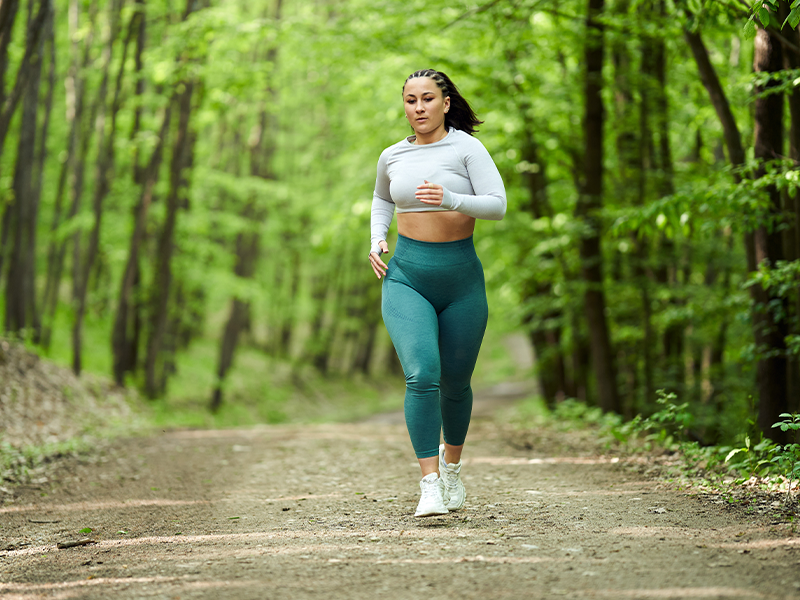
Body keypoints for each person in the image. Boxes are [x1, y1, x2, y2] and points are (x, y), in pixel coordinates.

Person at [368, 69, 506, 517]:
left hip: (461, 279)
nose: (419, 107)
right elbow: (382, 199)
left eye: (428, 98)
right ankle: (429, 483)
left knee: (456, 382)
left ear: (446, 103)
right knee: (422, 373)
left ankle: (452, 469)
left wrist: (452, 199)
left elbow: (497, 204)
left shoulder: (467, 147)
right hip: (407, 275)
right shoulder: (391, 155)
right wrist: (376, 239)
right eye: (411, 100)